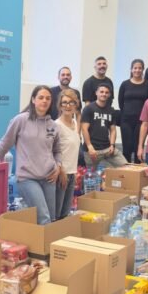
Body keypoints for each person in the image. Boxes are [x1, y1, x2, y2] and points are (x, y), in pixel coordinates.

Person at [0, 85, 62, 225]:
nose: (44, 101)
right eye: (41, 97)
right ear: (33, 100)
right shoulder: (20, 120)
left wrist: (58, 167)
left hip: (49, 177)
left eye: (48, 98)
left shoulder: (53, 126)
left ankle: (45, 246)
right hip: (27, 178)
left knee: (52, 219)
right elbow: (5, 143)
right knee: (44, 218)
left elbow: (57, 151)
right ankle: (43, 248)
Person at [81, 83, 127, 169]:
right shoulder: (88, 108)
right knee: (92, 178)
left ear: (109, 95)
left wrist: (112, 145)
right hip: (92, 150)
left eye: (106, 92)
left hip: (107, 148)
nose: (104, 94)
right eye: (101, 92)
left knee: (125, 166)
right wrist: (89, 146)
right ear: (96, 93)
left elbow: (113, 130)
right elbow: (84, 129)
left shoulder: (111, 110)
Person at [54, 90, 81, 219]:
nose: (68, 106)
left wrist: (73, 173)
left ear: (76, 105)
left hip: (72, 173)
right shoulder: (56, 125)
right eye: (64, 102)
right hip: (61, 174)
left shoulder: (75, 123)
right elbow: (52, 152)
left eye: (71, 102)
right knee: (57, 214)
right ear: (59, 106)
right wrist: (61, 171)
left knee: (65, 214)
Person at [117, 59, 148, 162]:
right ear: (131, 69)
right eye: (135, 68)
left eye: (140, 68)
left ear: (143, 69)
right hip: (126, 120)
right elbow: (120, 102)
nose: (137, 70)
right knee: (126, 148)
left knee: (138, 148)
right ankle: (127, 174)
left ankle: (137, 174)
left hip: (141, 121)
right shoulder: (125, 84)